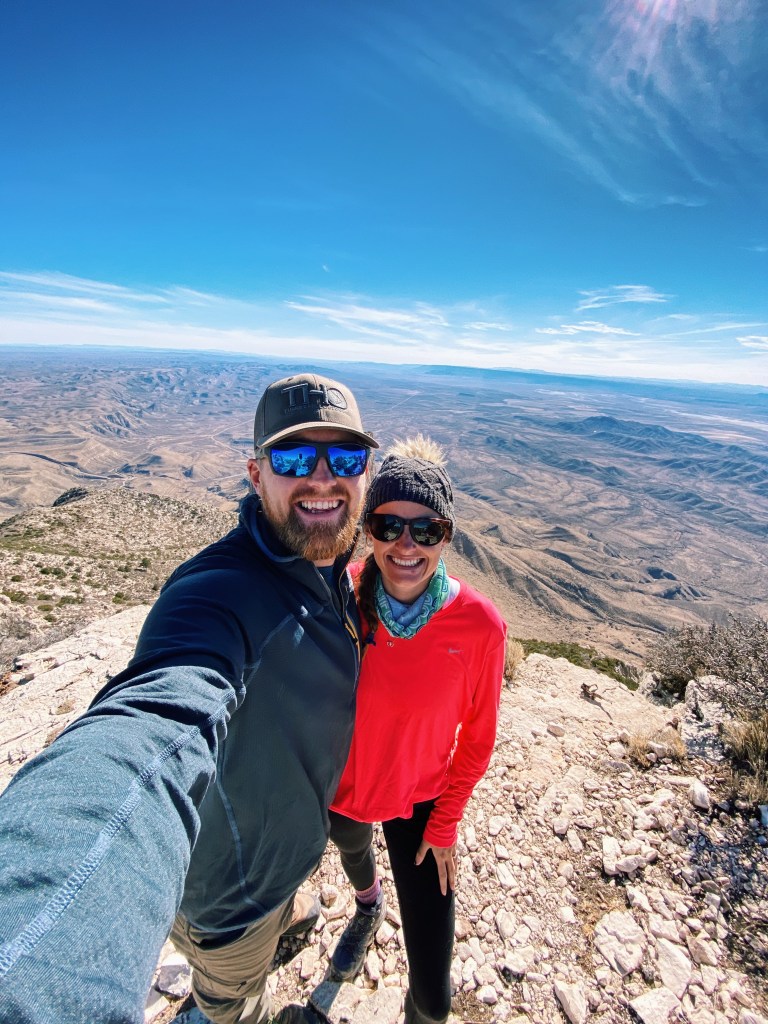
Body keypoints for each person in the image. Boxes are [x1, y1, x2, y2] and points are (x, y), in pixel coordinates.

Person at [0, 372, 378, 1024]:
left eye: (344, 459)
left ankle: (281, 927)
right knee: (234, 1003)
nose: (323, 478)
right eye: (293, 459)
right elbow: (152, 728)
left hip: (279, 857)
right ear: (255, 476)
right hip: (231, 905)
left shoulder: (326, 568)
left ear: (366, 473)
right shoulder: (217, 595)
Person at [327, 436, 506, 1024]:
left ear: (446, 537)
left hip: (421, 802)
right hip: (342, 787)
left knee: (434, 997)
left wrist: (446, 820)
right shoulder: (340, 596)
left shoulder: (481, 627)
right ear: (368, 531)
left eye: (426, 530)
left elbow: (477, 738)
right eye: (388, 526)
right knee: (353, 848)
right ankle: (367, 904)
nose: (406, 545)